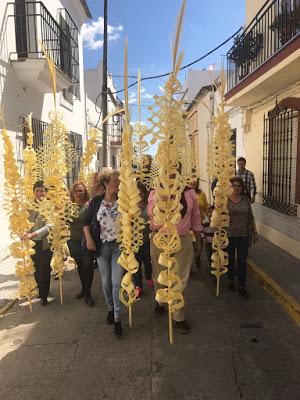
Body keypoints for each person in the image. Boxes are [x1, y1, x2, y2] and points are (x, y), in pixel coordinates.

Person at [147, 185, 203, 334]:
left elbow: (196, 216)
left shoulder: (189, 192)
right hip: (159, 238)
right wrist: (163, 197)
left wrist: (198, 239)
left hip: (182, 239)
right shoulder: (155, 191)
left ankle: (178, 316)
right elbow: (151, 212)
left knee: (180, 278)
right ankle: (160, 300)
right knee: (159, 275)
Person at [83, 170, 124, 336]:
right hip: (102, 247)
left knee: (116, 282)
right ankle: (110, 307)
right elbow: (86, 223)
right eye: (115, 181)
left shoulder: (124, 200)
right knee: (106, 282)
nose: (118, 184)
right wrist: (89, 240)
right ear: (106, 183)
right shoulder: (96, 202)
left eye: (119, 182)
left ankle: (117, 317)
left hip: (119, 247)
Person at [227, 177, 255, 299]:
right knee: (230, 259)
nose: (236, 188)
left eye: (238, 186)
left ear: (242, 187)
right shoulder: (225, 200)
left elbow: (250, 216)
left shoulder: (246, 200)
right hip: (229, 235)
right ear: (231, 186)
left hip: (243, 235)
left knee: (242, 260)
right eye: (234, 185)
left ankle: (242, 286)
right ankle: (231, 280)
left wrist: (253, 231)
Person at [26, 181, 52, 306]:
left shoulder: (49, 207)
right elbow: (25, 223)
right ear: (33, 192)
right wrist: (24, 233)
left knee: (45, 269)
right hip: (32, 244)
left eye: (42, 191)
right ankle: (41, 289)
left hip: (45, 243)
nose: (40, 193)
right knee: (36, 269)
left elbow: (49, 226)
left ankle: (44, 295)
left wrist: (34, 234)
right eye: (37, 190)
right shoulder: (29, 207)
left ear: (46, 193)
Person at [68, 181, 90, 304]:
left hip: (86, 241)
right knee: (81, 268)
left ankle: (88, 293)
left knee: (87, 267)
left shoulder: (88, 206)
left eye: (81, 190)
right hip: (73, 241)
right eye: (76, 191)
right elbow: (64, 221)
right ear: (73, 193)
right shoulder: (69, 207)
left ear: (85, 192)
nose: (78, 193)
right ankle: (84, 289)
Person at [133, 182, 153, 297]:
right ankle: (138, 285)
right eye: (137, 193)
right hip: (135, 241)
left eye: (141, 193)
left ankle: (149, 277)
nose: (140, 195)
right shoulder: (132, 206)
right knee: (136, 265)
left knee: (148, 262)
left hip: (147, 240)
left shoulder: (149, 205)